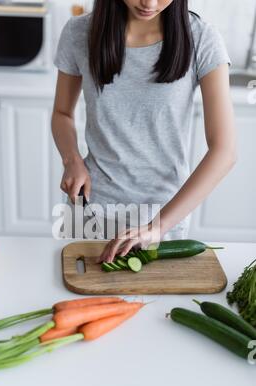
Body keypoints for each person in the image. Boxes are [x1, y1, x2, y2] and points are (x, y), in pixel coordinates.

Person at [51, 0, 236, 263]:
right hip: (91, 208)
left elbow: (224, 151)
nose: (149, 3)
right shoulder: (79, 33)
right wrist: (72, 160)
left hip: (164, 216)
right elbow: (62, 113)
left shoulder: (202, 38)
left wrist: (158, 227)